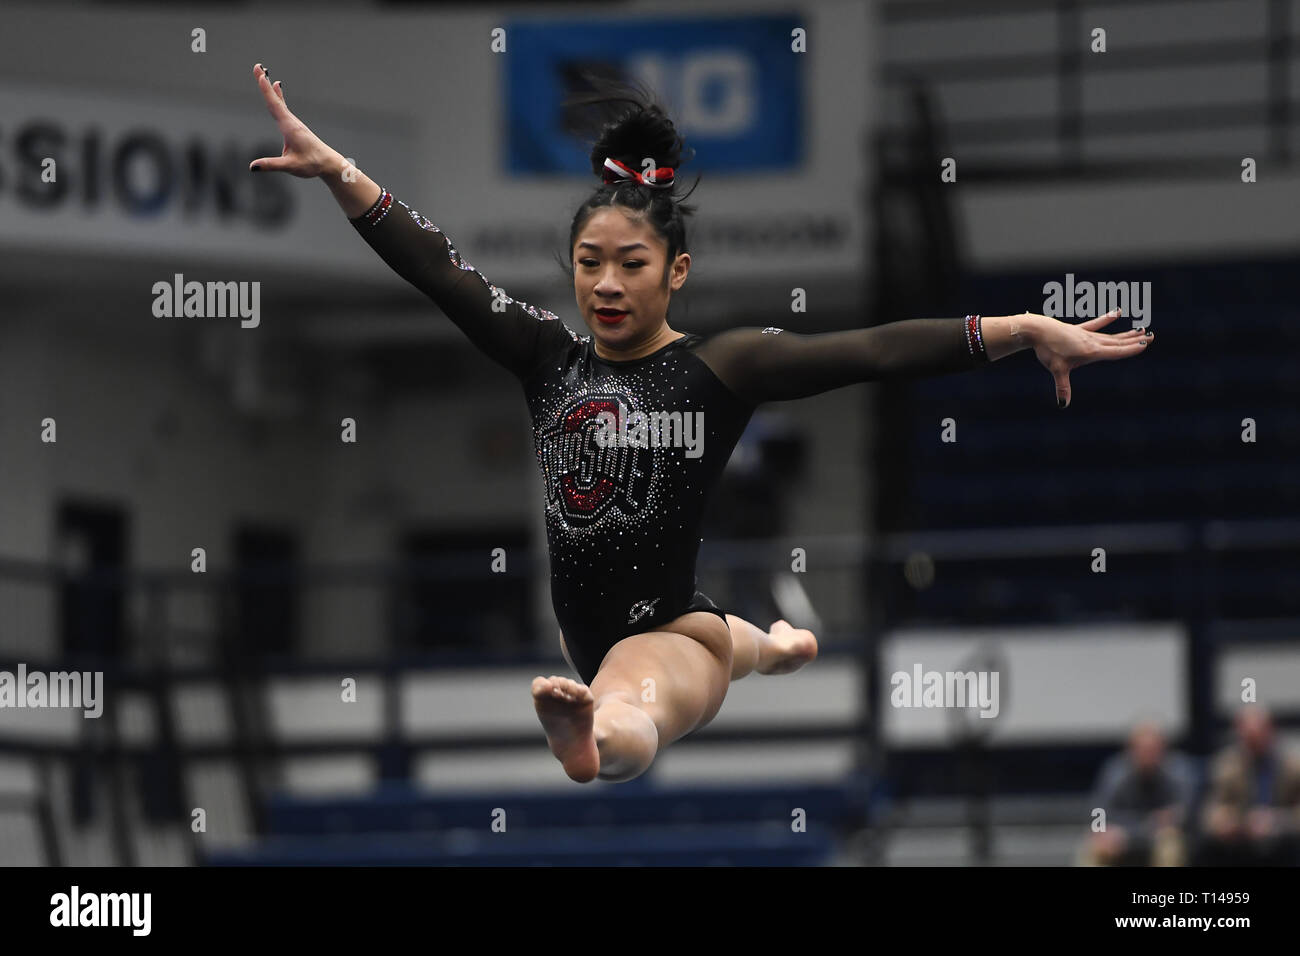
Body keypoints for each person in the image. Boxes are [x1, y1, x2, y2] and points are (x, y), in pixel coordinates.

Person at [247, 64, 1155, 784]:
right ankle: (779, 644)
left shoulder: (719, 368)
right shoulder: (547, 360)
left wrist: (1022, 329)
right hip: (608, 631)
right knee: (745, 646)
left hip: (670, 638)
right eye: (589, 262)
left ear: (675, 272)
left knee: (628, 706)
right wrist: (340, 173)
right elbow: (440, 269)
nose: (606, 283)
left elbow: (874, 349)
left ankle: (593, 737)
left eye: (631, 264)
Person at [1079, 721, 1195, 866]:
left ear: (1164, 749)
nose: (1148, 755)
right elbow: (1097, 809)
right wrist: (1101, 831)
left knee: (1170, 842)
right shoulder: (1115, 772)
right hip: (1123, 835)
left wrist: (1164, 822)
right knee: (1094, 845)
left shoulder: (1179, 772)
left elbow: (1184, 813)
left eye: (1153, 749)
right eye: (1142, 749)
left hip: (1159, 836)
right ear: (1131, 750)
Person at [1197, 705, 1300, 865]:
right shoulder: (1227, 764)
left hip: (1285, 840)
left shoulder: (1293, 764)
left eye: (1256, 736)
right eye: (1247, 737)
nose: (1252, 742)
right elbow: (1210, 813)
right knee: (1207, 846)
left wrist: (1276, 821)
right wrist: (1229, 822)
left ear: (1270, 731)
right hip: (1242, 839)